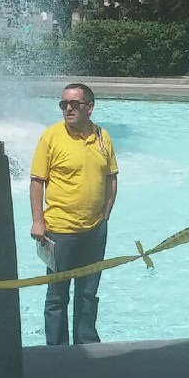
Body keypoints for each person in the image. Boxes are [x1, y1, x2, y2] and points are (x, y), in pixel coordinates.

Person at [30, 83, 118, 346]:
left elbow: (111, 177)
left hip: (94, 229)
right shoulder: (51, 137)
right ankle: (57, 350)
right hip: (59, 230)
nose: (67, 108)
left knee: (88, 293)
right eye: (63, 104)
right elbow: (37, 181)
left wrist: (106, 213)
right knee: (57, 295)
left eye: (74, 104)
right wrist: (38, 221)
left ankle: (87, 345)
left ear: (89, 108)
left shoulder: (103, 137)